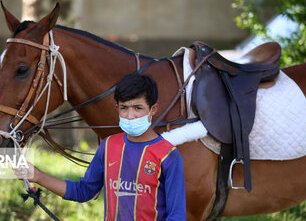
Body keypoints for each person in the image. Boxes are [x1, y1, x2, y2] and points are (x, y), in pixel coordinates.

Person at [15, 73, 186, 220]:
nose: (130, 115)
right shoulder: (109, 146)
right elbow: (83, 191)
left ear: (153, 109)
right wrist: (37, 176)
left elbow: (177, 216)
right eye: (124, 108)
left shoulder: (168, 156)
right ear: (116, 108)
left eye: (138, 108)